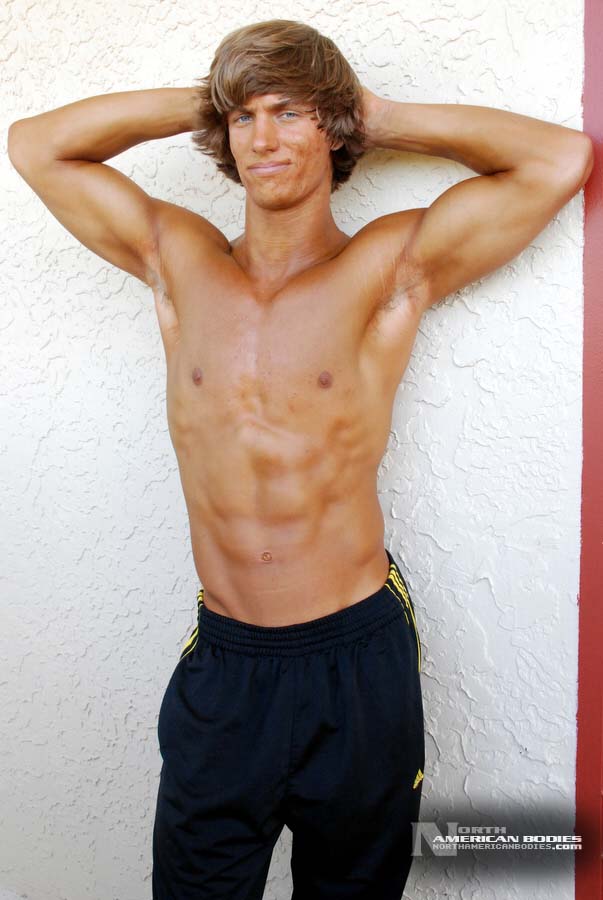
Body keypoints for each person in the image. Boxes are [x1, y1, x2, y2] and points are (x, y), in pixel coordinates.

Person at [8, 18, 593, 900]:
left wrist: (375, 115)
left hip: (354, 659)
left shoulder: (386, 267)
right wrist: (209, 100)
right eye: (244, 118)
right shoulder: (179, 262)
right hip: (227, 663)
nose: (263, 139)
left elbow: (557, 160)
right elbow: (36, 146)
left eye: (288, 112)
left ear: (332, 128)